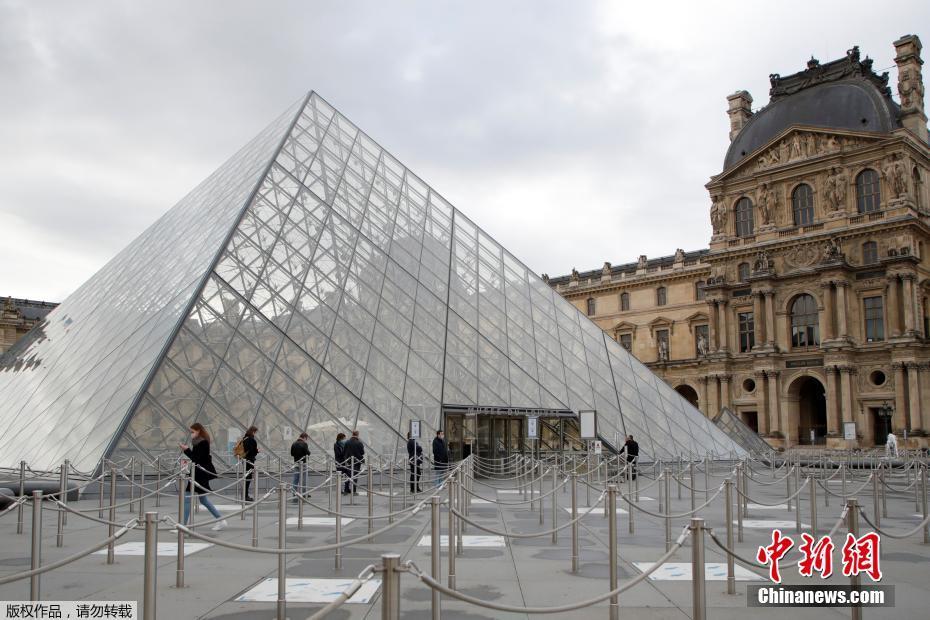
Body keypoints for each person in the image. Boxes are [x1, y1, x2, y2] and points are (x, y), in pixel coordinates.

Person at [179, 423, 227, 530]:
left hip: (199, 475)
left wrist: (186, 450)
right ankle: (220, 520)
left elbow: (196, 459)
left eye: (192, 432)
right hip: (198, 474)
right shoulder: (199, 442)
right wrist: (187, 450)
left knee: (187, 498)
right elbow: (197, 458)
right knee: (203, 500)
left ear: (198, 431)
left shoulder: (202, 443)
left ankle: (183, 526)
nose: (191, 434)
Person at [342, 430, 365, 495]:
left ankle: (346, 490)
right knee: (355, 476)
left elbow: (344, 451)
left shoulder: (347, 442)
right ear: (357, 435)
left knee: (347, 475)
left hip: (348, 461)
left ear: (352, 434)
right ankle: (353, 491)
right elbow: (362, 452)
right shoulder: (359, 443)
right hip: (357, 462)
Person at [290, 432, 311, 501]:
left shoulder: (294, 443)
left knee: (295, 479)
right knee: (304, 479)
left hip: (296, 463)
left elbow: (292, 454)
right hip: (303, 463)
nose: (306, 440)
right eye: (306, 439)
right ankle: (305, 493)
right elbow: (308, 453)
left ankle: (294, 493)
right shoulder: (304, 444)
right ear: (304, 437)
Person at [242, 426, 259, 502]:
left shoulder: (244, 438)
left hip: (244, 460)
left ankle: (244, 495)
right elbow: (253, 451)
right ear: (253, 432)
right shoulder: (251, 440)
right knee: (248, 478)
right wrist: (257, 451)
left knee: (246, 478)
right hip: (249, 460)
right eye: (255, 432)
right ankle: (245, 496)